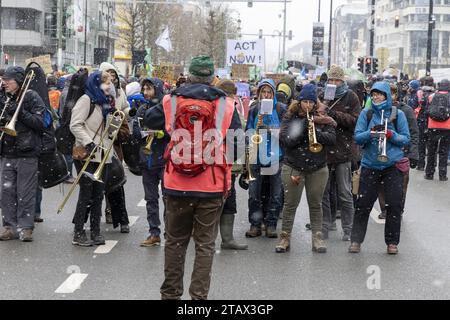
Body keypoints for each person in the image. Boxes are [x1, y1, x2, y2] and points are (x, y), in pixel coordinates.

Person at [144, 55, 241, 300]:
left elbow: (149, 119)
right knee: (205, 245)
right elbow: (238, 144)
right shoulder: (227, 105)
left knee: (175, 241)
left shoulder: (171, 100)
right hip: (211, 184)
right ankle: (198, 299)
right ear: (213, 78)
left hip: (176, 184)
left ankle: (170, 295)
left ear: (189, 76)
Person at [350, 81, 410, 255]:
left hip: (392, 165)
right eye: (374, 94)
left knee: (394, 205)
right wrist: (371, 133)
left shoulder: (397, 114)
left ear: (386, 96)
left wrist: (390, 134)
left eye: (380, 94)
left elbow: (405, 139)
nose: (376, 97)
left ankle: (392, 242)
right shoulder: (366, 113)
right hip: (370, 164)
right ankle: (356, 240)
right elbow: (358, 137)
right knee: (363, 204)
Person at [276, 84, 336, 253]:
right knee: (290, 204)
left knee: (316, 204)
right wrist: (304, 125)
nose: (308, 105)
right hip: (293, 165)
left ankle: (317, 238)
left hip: (317, 166)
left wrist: (315, 132)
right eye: (305, 102)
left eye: (311, 102)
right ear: (299, 101)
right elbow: (287, 140)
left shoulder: (323, 116)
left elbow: (332, 139)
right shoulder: (290, 116)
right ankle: (285, 238)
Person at [70, 71, 117, 246]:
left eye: (110, 82)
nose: (109, 85)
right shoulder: (86, 100)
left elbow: (110, 132)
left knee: (98, 194)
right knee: (86, 193)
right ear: (96, 84)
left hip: (104, 154)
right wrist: (88, 142)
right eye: (105, 82)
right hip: (87, 153)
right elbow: (75, 124)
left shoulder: (107, 103)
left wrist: (115, 118)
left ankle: (96, 231)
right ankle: (79, 232)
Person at [0, 66, 46, 242]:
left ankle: (26, 228)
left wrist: (18, 113)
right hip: (7, 151)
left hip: (27, 152)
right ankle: (9, 227)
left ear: (18, 81)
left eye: (8, 81)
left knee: (25, 192)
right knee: (7, 192)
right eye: (3, 80)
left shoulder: (31, 96)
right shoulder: (3, 97)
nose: (4, 84)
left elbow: (40, 123)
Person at [321, 65, 361, 241]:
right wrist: (322, 110)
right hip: (324, 150)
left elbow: (355, 121)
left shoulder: (351, 96)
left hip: (343, 150)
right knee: (324, 192)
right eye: (331, 80)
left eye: (337, 80)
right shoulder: (323, 95)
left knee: (344, 192)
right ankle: (325, 226)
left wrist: (334, 115)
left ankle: (349, 229)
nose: (334, 83)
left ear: (343, 81)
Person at [245, 79, 287, 239]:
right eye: (263, 92)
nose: (266, 95)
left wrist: (272, 129)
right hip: (257, 154)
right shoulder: (254, 109)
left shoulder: (281, 109)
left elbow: (286, 132)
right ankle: (255, 224)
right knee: (254, 193)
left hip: (277, 156)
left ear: (273, 94)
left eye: (269, 92)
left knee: (276, 194)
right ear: (259, 94)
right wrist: (253, 135)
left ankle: (271, 224)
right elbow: (247, 129)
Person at [134, 77, 170, 247]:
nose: (146, 93)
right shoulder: (142, 109)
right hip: (147, 160)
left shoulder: (167, 108)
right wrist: (142, 133)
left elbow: (175, 130)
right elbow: (135, 133)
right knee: (151, 199)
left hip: (164, 159)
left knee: (168, 198)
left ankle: (169, 233)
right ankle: (153, 232)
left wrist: (162, 133)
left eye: (149, 89)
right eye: (144, 89)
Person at [377, 83, 419, 219]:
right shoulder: (376, 110)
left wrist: (413, 153)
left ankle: (398, 210)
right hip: (381, 153)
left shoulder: (406, 110)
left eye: (392, 94)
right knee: (381, 185)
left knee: (401, 185)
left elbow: (413, 132)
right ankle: (384, 209)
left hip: (402, 153)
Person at [216, 79, 248, 250]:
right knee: (226, 200)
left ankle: (207, 238)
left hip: (214, 162)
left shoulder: (214, 105)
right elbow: (238, 135)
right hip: (226, 163)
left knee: (215, 200)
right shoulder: (230, 107)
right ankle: (226, 239)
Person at [424, 79, 450, 181]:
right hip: (447, 127)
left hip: (433, 126)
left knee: (431, 151)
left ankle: (429, 173)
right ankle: (442, 175)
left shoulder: (431, 96)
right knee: (444, 151)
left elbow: (426, 110)